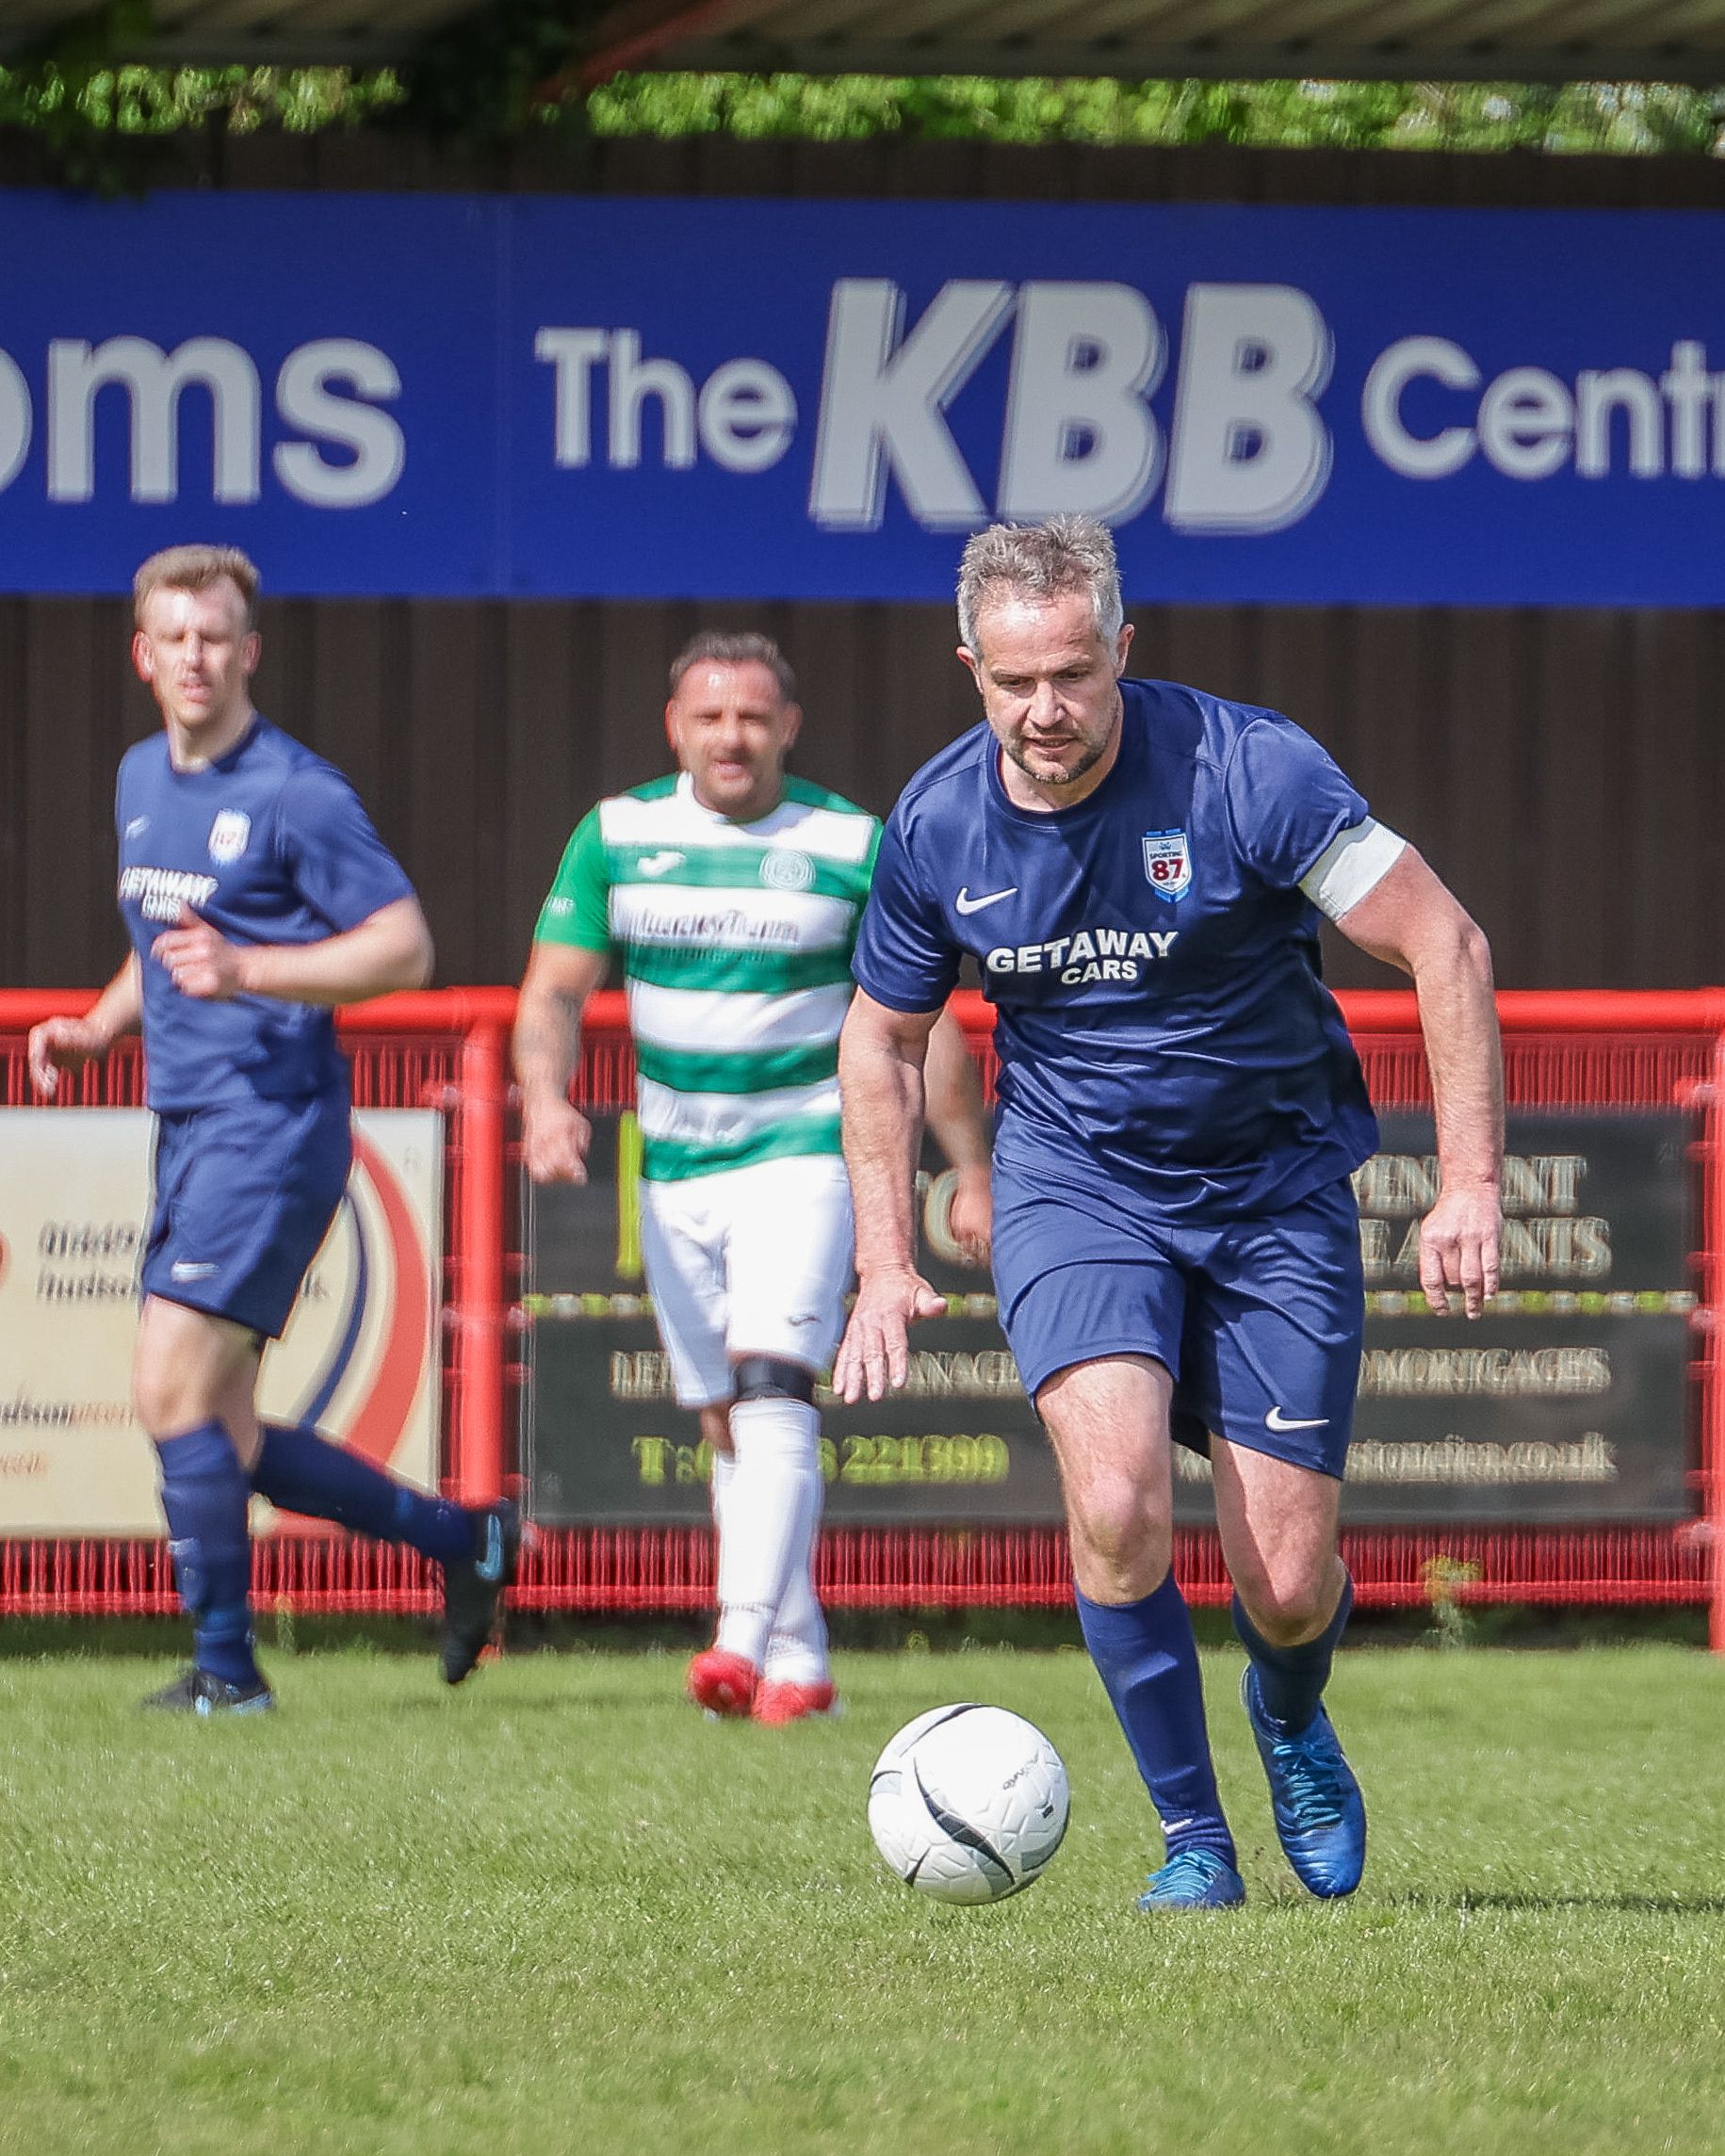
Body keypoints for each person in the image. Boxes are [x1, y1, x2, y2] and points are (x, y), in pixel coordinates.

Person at [836, 516, 1503, 1908]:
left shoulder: (1247, 770)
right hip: (1075, 1186)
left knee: (1287, 1584)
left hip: (1273, 1191)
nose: (1046, 708)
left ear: (1121, 650)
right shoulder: (935, 823)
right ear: (970, 671)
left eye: (1073, 673)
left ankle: (1289, 1714)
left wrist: (1470, 1184)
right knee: (1116, 1503)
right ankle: (1193, 1839)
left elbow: (1442, 940)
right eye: (1015, 680)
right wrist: (883, 1259)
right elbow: (882, 1038)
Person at [29, 544, 519, 1713]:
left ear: (248, 651)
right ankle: (462, 1539)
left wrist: (251, 968)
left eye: (215, 637)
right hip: (191, 1124)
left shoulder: (298, 793)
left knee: (168, 1390)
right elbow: (167, 943)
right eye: (175, 638)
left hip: (271, 1127)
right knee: (227, 1431)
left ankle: (227, 1674)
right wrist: (97, 1026)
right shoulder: (140, 776)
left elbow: (404, 947)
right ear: (143, 655)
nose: (195, 658)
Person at [515, 630, 991, 1725]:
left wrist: (971, 1166)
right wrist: (543, 1100)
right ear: (674, 727)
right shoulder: (617, 835)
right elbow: (551, 992)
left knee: (774, 1385)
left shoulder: (849, 842)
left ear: (788, 728)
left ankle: (734, 1639)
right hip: (673, 1170)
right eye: (709, 717)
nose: (730, 736)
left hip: (807, 1152)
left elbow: (922, 1023)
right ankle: (799, 1660)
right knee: (727, 1419)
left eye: (752, 717)